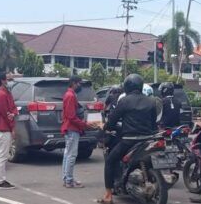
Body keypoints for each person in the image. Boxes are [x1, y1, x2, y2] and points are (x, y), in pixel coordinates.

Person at [98, 74, 157, 204]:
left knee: (110, 161)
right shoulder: (151, 101)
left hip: (129, 140)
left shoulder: (124, 101)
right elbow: (154, 124)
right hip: (148, 140)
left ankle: (108, 195)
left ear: (127, 86)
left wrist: (105, 127)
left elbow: (112, 121)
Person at [61, 75, 96, 188]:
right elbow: (72, 116)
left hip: (70, 128)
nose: (80, 85)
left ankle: (67, 178)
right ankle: (69, 180)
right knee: (71, 155)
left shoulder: (69, 94)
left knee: (67, 154)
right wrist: (85, 125)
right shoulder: (71, 96)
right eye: (79, 83)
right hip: (72, 128)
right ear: (74, 83)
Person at [0, 72, 18, 189]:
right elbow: (6, 113)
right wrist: (12, 127)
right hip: (3, 128)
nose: (10, 81)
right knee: (3, 155)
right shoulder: (2, 94)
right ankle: (1, 181)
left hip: (1, 128)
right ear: (3, 80)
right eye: (8, 79)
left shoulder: (2, 92)